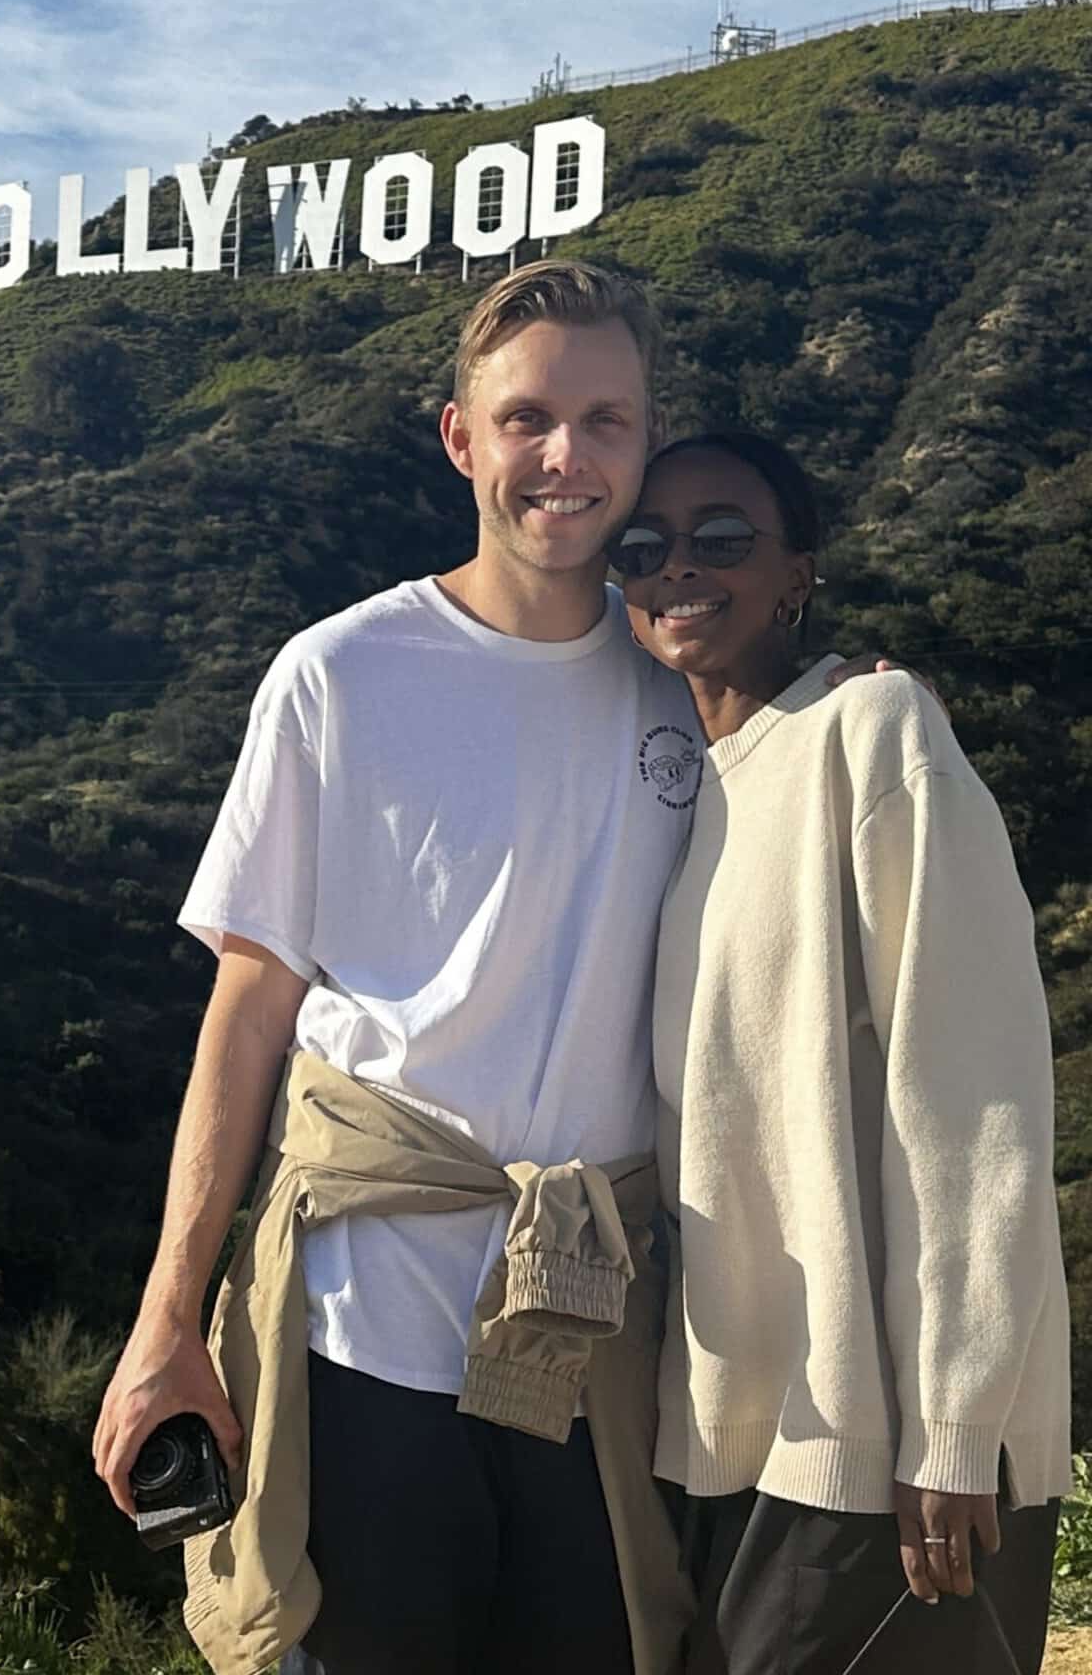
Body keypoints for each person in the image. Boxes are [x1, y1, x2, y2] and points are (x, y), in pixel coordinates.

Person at [93, 263, 898, 1675]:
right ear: (463, 437)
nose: (566, 459)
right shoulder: (340, 676)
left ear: (646, 442)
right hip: (365, 1326)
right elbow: (249, 1008)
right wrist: (168, 1323)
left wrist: (881, 704)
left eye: (606, 421)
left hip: (604, 1329)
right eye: (528, 419)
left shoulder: (691, 684)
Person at [612, 429, 1072, 1675]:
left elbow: (973, 1091)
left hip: (887, 1450)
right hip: (732, 1432)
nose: (678, 569)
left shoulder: (874, 733)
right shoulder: (684, 793)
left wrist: (957, 1421)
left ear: (795, 571)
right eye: (643, 546)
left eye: (723, 538)